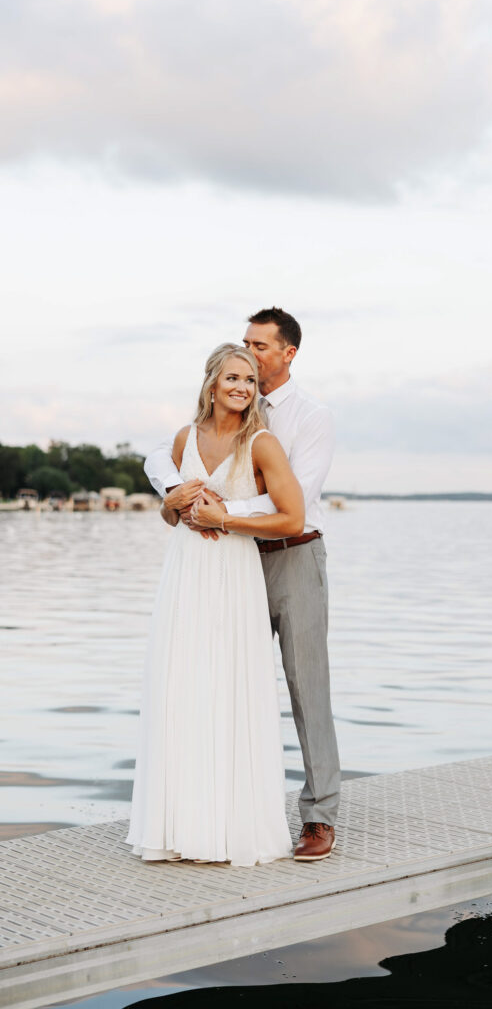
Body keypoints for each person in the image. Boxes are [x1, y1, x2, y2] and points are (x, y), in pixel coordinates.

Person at [144, 308, 341, 862]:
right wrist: (180, 494)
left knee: (307, 688)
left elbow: (293, 504)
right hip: (230, 564)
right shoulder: (212, 418)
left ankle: (319, 816)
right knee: (225, 684)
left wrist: (216, 508)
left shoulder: (310, 417)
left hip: (292, 556)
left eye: (259, 348)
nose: (248, 355)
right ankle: (212, 811)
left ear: (287, 354)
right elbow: (161, 454)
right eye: (244, 348)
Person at [126, 343, 304, 864]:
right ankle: (178, 826)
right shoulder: (185, 438)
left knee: (226, 687)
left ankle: (227, 828)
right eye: (233, 377)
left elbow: (291, 519)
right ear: (211, 383)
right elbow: (176, 517)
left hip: (231, 572)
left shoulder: (263, 444)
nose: (242, 388)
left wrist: (224, 520)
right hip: (184, 574)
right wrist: (172, 503)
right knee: (180, 686)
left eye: (250, 380)